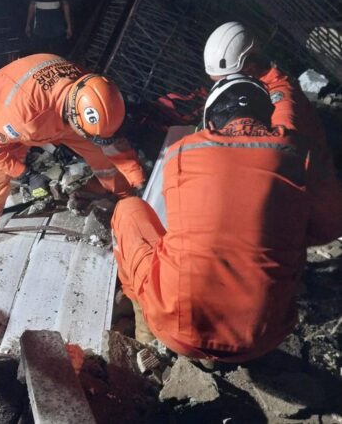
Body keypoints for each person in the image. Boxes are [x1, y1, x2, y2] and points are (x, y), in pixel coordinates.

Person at [111, 75, 342, 363]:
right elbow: (330, 226)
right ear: (266, 116)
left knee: (128, 209)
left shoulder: (181, 151)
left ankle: (146, 332)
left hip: (175, 330)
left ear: (209, 122)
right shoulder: (300, 153)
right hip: (262, 338)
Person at [0, 54, 145, 237]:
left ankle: (124, 195)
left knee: (100, 153)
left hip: (50, 98)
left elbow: (112, 143)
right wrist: (25, 174)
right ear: (74, 118)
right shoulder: (23, 118)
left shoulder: (92, 89)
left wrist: (137, 178)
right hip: (6, 94)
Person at [203, 21, 329, 153]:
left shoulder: (279, 95)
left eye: (224, 81)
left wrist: (221, 141)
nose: (220, 88)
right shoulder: (251, 93)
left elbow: (281, 147)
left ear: (250, 69)